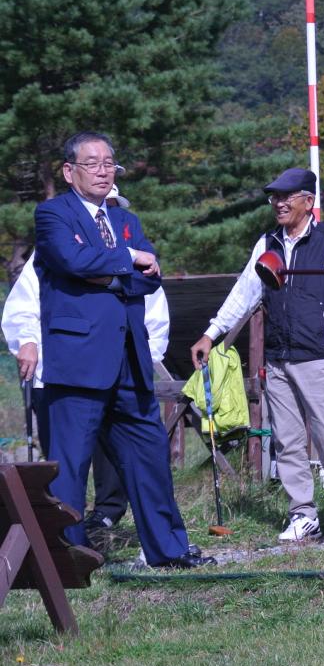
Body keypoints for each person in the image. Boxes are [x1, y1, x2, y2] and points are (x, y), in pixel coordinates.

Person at [34, 131, 210, 568]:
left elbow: (149, 276)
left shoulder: (124, 220)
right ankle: (67, 559)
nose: (102, 170)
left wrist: (113, 265)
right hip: (78, 361)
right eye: (91, 163)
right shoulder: (53, 214)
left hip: (131, 360)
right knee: (70, 466)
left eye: (109, 162)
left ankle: (169, 551)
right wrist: (125, 260)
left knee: (150, 458)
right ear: (69, 170)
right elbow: (71, 262)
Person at [191, 167, 324, 542]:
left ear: (309, 201)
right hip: (278, 358)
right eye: (274, 197)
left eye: (287, 196)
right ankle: (303, 514)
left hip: (319, 357)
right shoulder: (267, 242)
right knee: (286, 441)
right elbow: (244, 292)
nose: (279, 203)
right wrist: (211, 333)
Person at [3, 185, 170, 539]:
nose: (103, 215)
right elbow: (25, 303)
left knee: (122, 458)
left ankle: (112, 518)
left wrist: (145, 357)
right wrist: (28, 342)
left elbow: (153, 303)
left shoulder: (130, 240)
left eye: (110, 207)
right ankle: (66, 543)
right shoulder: (55, 248)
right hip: (67, 369)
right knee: (67, 462)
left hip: (122, 369)